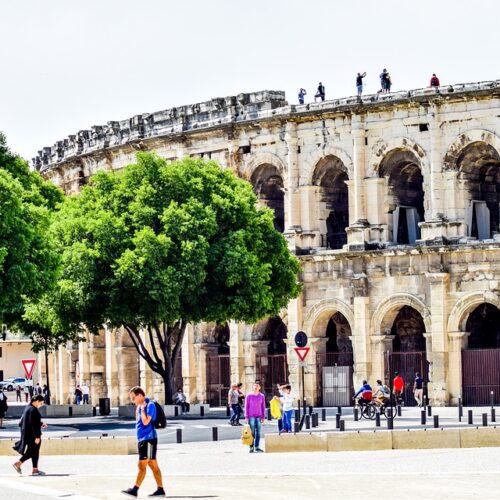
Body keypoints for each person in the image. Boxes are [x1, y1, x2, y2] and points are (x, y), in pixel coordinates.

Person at [122, 386, 165, 498]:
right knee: (152, 464)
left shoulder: (149, 405)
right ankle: (160, 489)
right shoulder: (140, 406)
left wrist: (141, 409)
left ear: (140, 395)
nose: (132, 401)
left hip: (148, 439)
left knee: (142, 465)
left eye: (133, 398)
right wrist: (140, 408)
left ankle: (135, 490)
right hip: (143, 439)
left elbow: (146, 422)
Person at [12, 395, 48, 476]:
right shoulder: (33, 410)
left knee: (34, 451)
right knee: (32, 451)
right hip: (33, 435)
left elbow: (30, 421)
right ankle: (18, 463)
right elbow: (34, 424)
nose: (41, 405)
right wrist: (37, 436)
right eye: (41, 403)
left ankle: (35, 470)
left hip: (27, 434)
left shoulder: (28, 408)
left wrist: (41, 423)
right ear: (36, 401)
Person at [245, 382, 265, 453]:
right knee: (252, 432)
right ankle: (251, 447)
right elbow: (246, 406)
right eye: (254, 386)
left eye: (257, 386)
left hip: (259, 416)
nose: (256, 387)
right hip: (251, 416)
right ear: (252, 387)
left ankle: (257, 447)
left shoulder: (262, 396)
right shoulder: (249, 395)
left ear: (259, 388)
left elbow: (263, 407)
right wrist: (246, 416)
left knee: (258, 433)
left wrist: (263, 417)